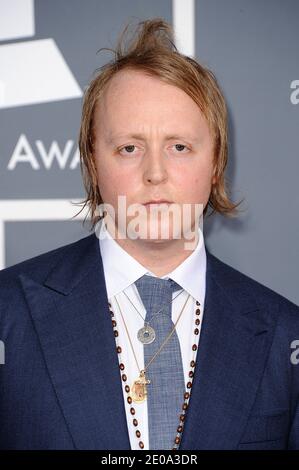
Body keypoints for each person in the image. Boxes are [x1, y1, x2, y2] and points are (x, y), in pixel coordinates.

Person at [0, 18, 298, 451]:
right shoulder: (8, 313)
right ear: (91, 162)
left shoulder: (284, 335)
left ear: (215, 163)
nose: (155, 173)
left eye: (179, 147)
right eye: (129, 148)